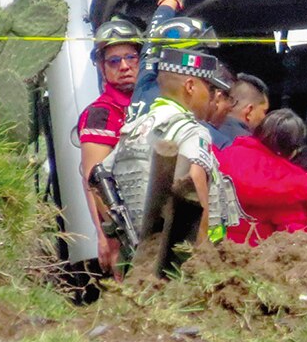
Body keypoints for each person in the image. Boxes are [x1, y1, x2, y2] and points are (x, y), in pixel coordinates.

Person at [101, 48, 241, 253]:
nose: (212, 98)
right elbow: (194, 188)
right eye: (209, 89)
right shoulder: (191, 131)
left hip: (138, 253)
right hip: (178, 257)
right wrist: (203, 258)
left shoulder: (135, 128)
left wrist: (121, 236)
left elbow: (97, 179)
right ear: (191, 86)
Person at [78, 19, 142, 275]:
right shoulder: (101, 114)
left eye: (131, 57)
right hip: (124, 229)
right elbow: (93, 180)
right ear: (102, 68)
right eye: (114, 61)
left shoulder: (150, 103)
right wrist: (105, 236)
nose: (124, 66)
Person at [218, 109, 307, 247]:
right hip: (255, 262)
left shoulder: (225, 157)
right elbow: (293, 245)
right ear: (294, 148)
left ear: (259, 131)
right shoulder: (291, 186)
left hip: (212, 254)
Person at [217, 74, 269, 142]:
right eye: (264, 112)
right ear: (249, 111)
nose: (265, 118)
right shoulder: (251, 146)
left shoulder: (204, 131)